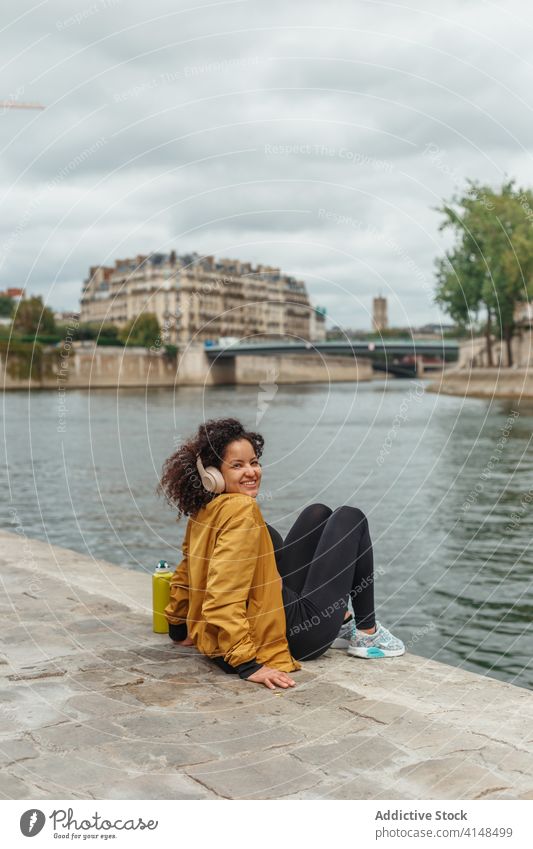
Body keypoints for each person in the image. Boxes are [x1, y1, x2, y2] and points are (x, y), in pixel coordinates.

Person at [158, 417, 404, 690]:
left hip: (273, 613)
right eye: (237, 466)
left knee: (317, 513)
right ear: (212, 475)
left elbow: (185, 574)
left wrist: (178, 629)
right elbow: (222, 594)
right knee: (351, 519)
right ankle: (367, 634)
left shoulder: (206, 511)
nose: (251, 472)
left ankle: (343, 620)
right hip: (295, 636)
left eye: (254, 462)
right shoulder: (241, 510)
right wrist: (247, 664)